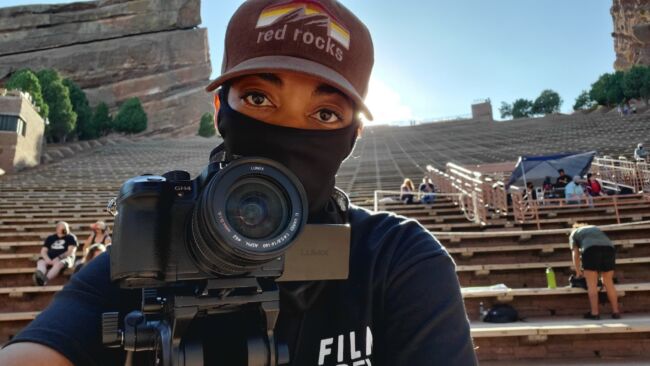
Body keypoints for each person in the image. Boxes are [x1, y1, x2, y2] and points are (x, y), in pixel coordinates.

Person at [0, 1, 477, 365]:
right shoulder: (154, 244)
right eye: (258, 97)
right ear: (219, 110)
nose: (288, 131)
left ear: (353, 135)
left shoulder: (398, 261)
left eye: (325, 113)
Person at [569, 223, 620, 320]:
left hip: (591, 250)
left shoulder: (574, 233)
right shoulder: (594, 228)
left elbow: (575, 253)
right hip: (609, 249)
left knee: (591, 284)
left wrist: (578, 271)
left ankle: (594, 313)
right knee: (608, 282)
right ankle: (616, 312)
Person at [32, 221, 78, 286]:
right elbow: (43, 251)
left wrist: (59, 257)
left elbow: (71, 251)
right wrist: (47, 259)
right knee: (41, 262)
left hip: (65, 258)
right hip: (50, 257)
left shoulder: (71, 237)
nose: (66, 230)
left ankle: (44, 280)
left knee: (58, 263)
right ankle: (39, 276)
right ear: (57, 229)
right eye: (63, 228)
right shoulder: (51, 238)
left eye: (66, 228)